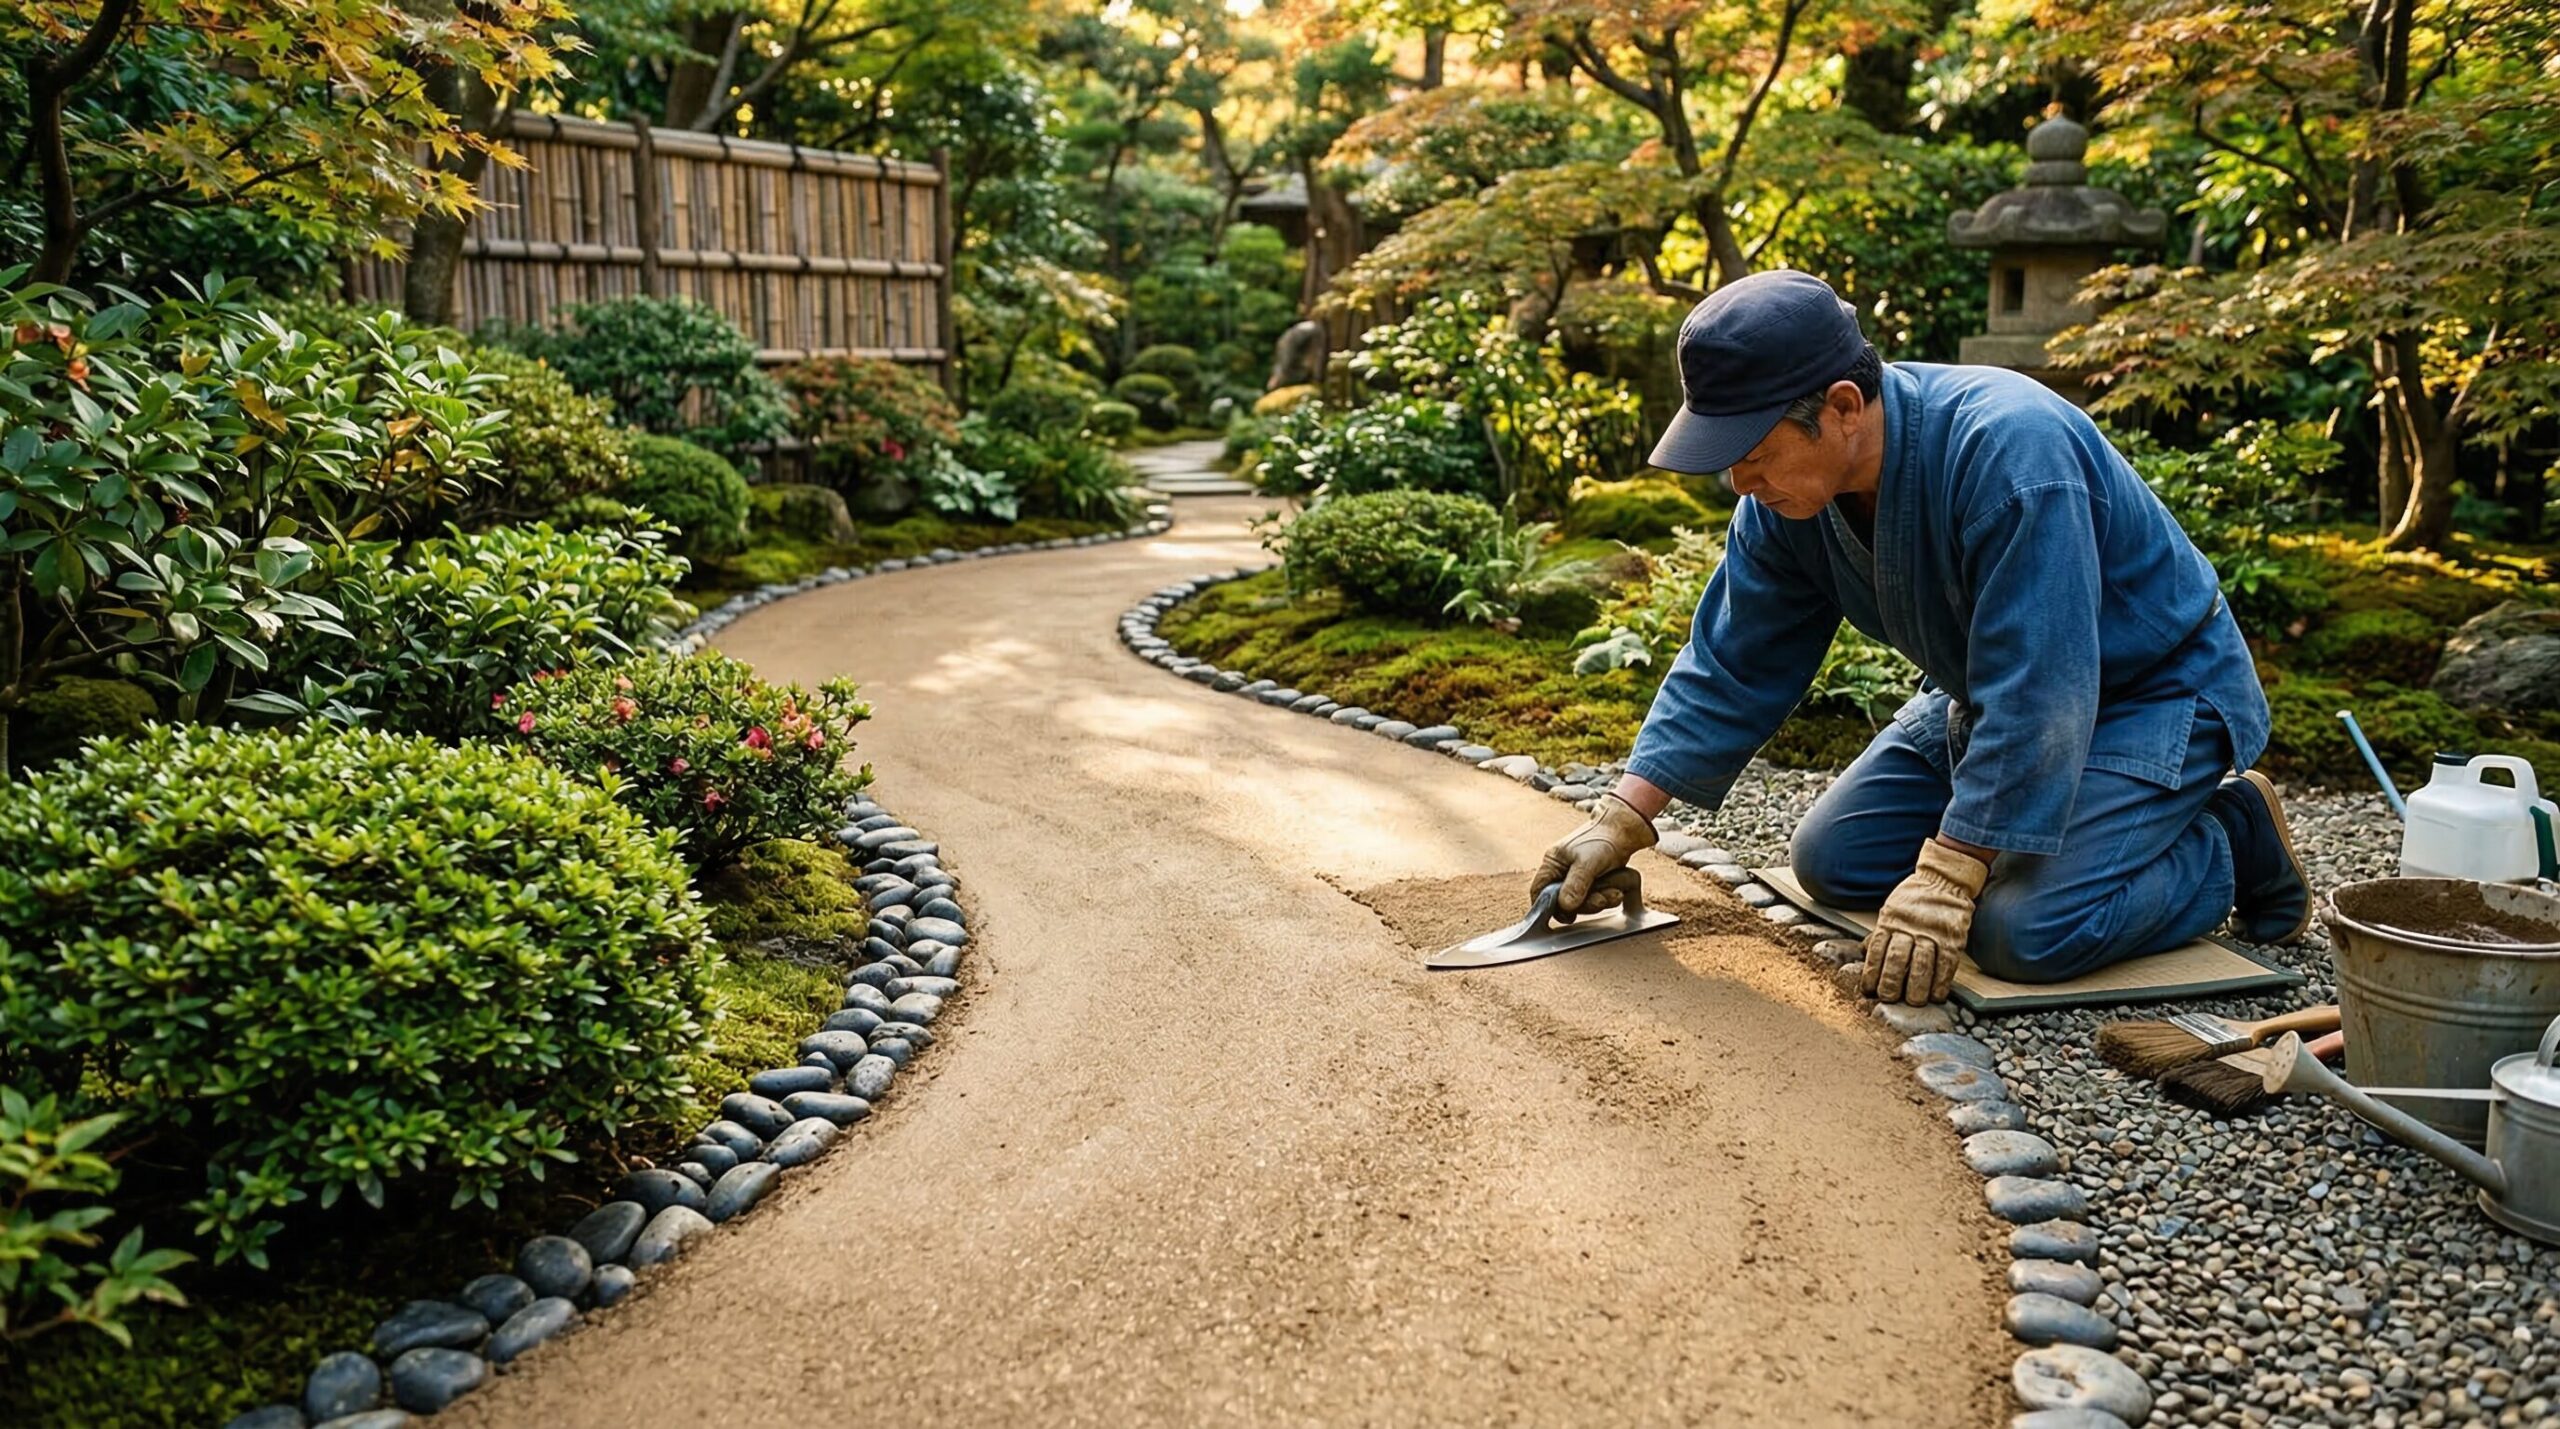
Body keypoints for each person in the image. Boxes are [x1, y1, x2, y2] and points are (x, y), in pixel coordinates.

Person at [1533, 269, 2310, 1007]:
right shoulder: (1783, 503)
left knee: (2020, 930)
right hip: (1989, 695)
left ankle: (2231, 841)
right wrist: (1622, 817)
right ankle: (2048, 832)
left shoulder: (2012, 453)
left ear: (1841, 406)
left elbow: (2042, 685)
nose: (1739, 483)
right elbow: (1732, 660)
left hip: (2152, 696)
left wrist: (1953, 870)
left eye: (1754, 455)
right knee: (1833, 860)